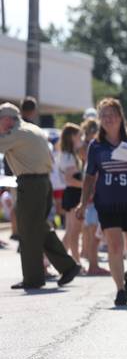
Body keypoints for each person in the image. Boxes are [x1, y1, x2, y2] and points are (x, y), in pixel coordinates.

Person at [76, 98, 127, 306]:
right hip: (107, 203)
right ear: (100, 119)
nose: (108, 119)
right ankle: (119, 290)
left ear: (120, 117)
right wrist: (83, 203)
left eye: (112, 115)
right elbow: (90, 176)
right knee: (115, 246)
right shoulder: (96, 146)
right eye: (104, 116)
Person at [0, 103, 81, 289]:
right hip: (41, 183)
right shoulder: (32, 129)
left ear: (7, 119)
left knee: (28, 231)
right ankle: (67, 266)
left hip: (31, 184)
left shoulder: (17, 132)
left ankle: (34, 279)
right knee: (38, 228)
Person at [78, 118, 107, 275]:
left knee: (91, 231)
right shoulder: (91, 148)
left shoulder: (88, 148)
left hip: (91, 196)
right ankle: (93, 265)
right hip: (93, 197)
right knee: (93, 232)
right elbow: (91, 177)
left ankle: (92, 264)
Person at [57, 123, 85, 266]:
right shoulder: (68, 156)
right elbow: (69, 179)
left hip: (71, 194)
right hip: (74, 194)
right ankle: (76, 262)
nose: (81, 138)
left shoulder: (69, 155)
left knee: (70, 232)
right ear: (72, 137)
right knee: (74, 232)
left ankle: (55, 261)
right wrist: (87, 186)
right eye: (79, 135)